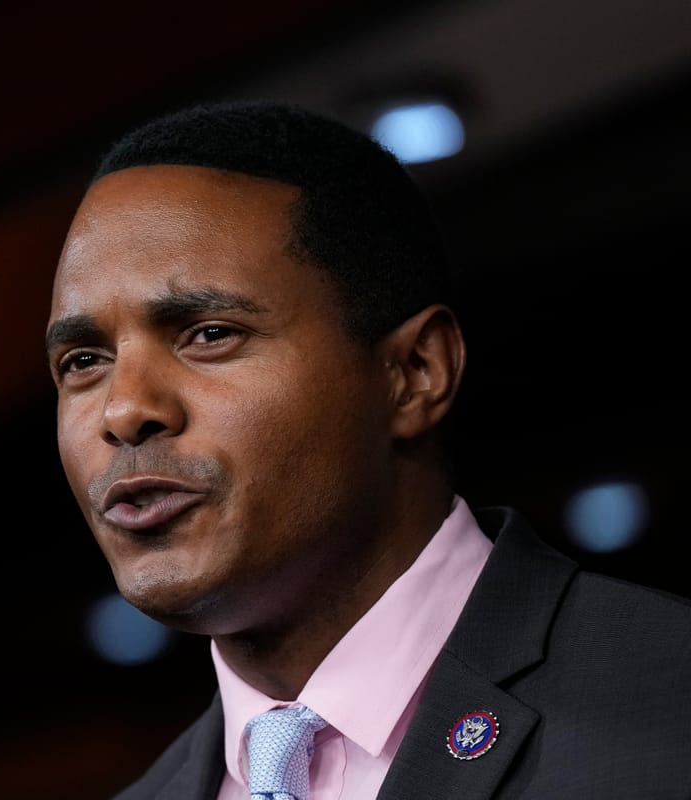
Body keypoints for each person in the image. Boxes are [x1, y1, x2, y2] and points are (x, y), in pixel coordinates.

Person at [43, 98, 691, 800]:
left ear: (415, 372)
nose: (123, 410)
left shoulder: (667, 702)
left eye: (209, 334)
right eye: (83, 361)